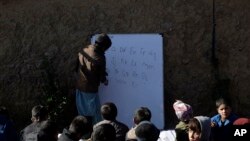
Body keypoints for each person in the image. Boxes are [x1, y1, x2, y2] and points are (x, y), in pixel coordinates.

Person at [75, 33, 112, 125]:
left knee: (82, 113)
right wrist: (105, 81)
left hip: (79, 86)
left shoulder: (84, 50)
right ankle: (97, 133)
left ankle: (82, 133)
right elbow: (101, 75)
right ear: (104, 46)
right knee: (96, 114)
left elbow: (76, 68)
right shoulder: (100, 57)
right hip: (90, 90)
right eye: (106, 48)